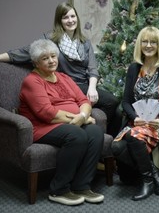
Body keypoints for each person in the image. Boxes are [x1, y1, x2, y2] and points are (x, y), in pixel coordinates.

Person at [0, 2, 121, 137]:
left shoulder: (84, 42)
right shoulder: (50, 40)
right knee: (111, 101)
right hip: (68, 85)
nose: (70, 20)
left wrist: (92, 88)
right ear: (59, 21)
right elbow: (19, 53)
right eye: (66, 17)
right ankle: (92, 130)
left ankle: (107, 143)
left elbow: (92, 68)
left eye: (73, 16)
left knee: (115, 108)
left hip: (85, 85)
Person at [19, 39, 105, 206]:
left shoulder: (63, 77)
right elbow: (46, 113)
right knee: (77, 135)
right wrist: (82, 118)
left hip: (71, 121)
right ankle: (59, 189)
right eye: (45, 58)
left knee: (95, 132)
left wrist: (83, 114)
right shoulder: (32, 81)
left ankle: (81, 185)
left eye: (53, 56)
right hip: (44, 127)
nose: (51, 61)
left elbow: (83, 100)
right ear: (36, 62)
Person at [111, 26, 159, 200]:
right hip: (138, 123)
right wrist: (135, 118)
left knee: (132, 137)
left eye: (153, 42)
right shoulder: (134, 69)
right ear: (140, 44)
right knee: (115, 147)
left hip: (158, 125)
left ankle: (147, 181)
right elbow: (125, 102)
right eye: (145, 41)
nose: (148, 45)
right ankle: (155, 175)